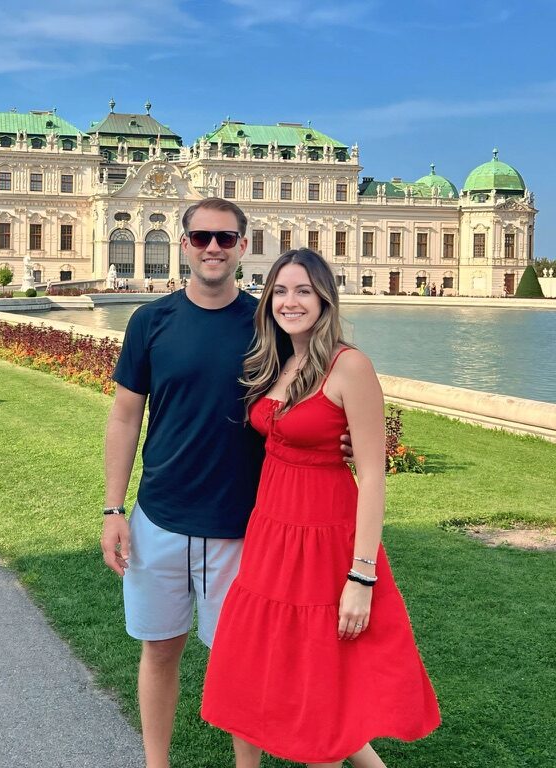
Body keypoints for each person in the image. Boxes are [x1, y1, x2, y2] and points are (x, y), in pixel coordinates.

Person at [102, 200, 352, 768]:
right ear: (185, 244)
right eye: (201, 237)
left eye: (225, 237)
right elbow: (123, 415)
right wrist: (113, 509)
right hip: (159, 516)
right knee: (160, 650)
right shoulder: (150, 321)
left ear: (243, 245)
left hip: (244, 524)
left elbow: (327, 386)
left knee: (243, 660)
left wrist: (345, 440)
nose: (212, 247)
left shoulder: (272, 323)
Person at [202, 249, 440, 767]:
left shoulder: (349, 365)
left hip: (324, 539)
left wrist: (362, 575)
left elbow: (373, 476)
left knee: (321, 688)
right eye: (281, 290)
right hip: (271, 533)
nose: (290, 301)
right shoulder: (277, 361)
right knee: (254, 668)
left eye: (303, 290)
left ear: (325, 299)